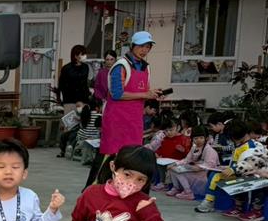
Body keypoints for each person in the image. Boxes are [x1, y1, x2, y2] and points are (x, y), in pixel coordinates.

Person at [86, 32, 163, 187]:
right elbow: (117, 93)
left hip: (134, 119)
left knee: (131, 156)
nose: (144, 50)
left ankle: (122, 188)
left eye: (148, 47)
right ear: (133, 46)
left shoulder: (145, 67)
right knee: (109, 155)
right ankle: (91, 189)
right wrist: (145, 94)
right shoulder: (121, 65)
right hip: (116, 118)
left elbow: (143, 91)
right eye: (141, 46)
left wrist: (153, 94)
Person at [195, 118, 260, 214]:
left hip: (248, 176)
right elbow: (237, 161)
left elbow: (250, 164)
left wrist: (233, 169)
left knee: (215, 177)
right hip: (238, 172)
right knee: (214, 174)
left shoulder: (250, 147)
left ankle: (209, 202)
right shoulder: (241, 145)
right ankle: (213, 202)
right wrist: (228, 167)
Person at [165, 126, 219, 200]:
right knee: (172, 169)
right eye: (196, 138)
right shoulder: (194, 147)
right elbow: (187, 159)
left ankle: (188, 192)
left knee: (179, 173)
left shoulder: (209, 150)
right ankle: (176, 188)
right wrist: (175, 164)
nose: (198, 140)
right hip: (194, 170)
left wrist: (198, 167)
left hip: (203, 174)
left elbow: (210, 165)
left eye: (201, 138)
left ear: (206, 138)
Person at [57, 44, 90, 110]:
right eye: (82, 54)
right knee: (70, 115)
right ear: (75, 56)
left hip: (83, 99)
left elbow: (85, 83)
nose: (84, 56)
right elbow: (61, 85)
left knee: (83, 116)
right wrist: (60, 98)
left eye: (84, 54)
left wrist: (87, 96)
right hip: (69, 100)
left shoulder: (86, 67)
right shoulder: (66, 68)